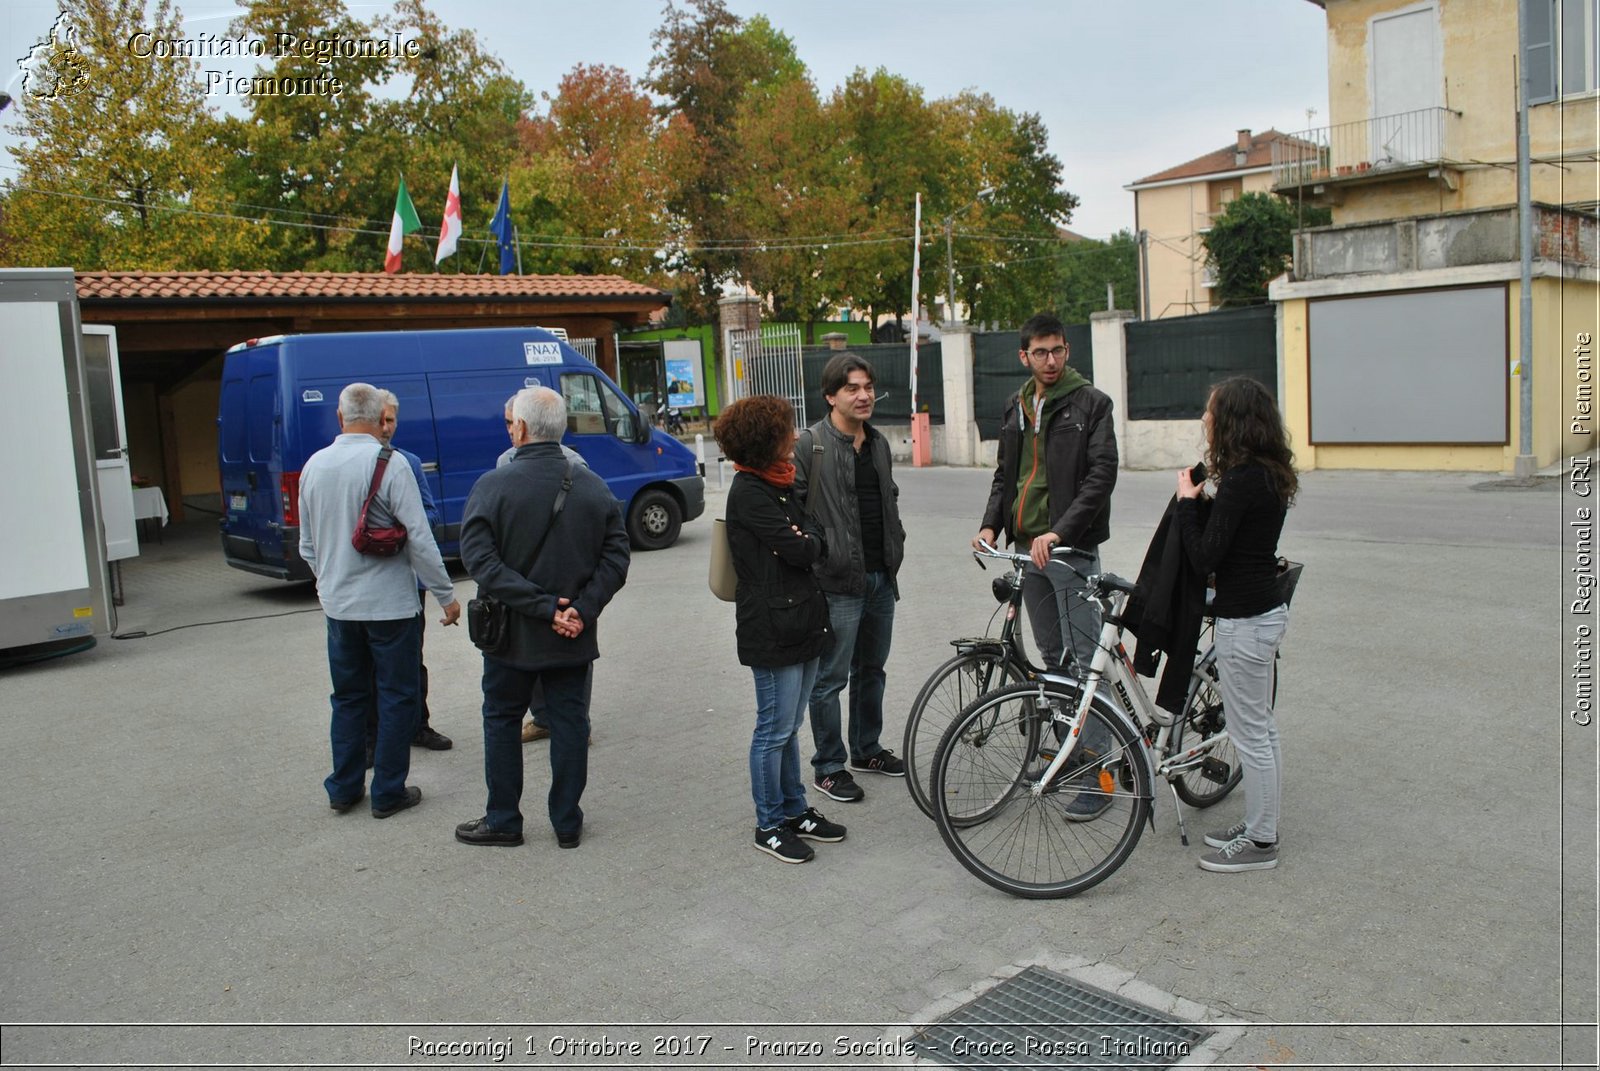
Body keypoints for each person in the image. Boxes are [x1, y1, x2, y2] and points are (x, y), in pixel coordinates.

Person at [456, 387, 629, 849]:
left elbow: (479, 561)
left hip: (510, 635)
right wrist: (579, 609)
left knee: (501, 719)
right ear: (563, 429)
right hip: (572, 633)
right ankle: (567, 823)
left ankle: (503, 820)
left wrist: (539, 605)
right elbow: (617, 558)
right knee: (570, 723)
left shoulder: (492, 486)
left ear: (521, 428)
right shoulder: (593, 486)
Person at [972, 311, 1119, 820]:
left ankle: (1100, 776)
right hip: (1027, 551)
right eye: (1040, 352)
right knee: (1053, 663)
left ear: (1067, 351)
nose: (1050, 360)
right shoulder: (1016, 406)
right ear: (1024, 356)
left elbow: (1101, 476)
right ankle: (1068, 758)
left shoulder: (1092, 404)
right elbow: (1004, 477)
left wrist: (1061, 532)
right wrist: (992, 524)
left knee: (1082, 666)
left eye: (1057, 350)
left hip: (1070, 552)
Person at [299, 382, 461, 819]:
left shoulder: (313, 466)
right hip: (391, 606)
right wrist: (446, 595)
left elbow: (307, 546)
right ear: (379, 418)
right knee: (395, 696)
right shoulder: (389, 464)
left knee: (348, 697)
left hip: (339, 608)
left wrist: (328, 585)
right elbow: (420, 540)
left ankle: (344, 788)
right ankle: (388, 791)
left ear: (340, 418)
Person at [715, 395, 846, 863]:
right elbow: (804, 550)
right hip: (771, 627)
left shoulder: (781, 483)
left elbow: (815, 538)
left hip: (803, 618)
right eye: (786, 430)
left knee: (790, 727)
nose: (794, 437)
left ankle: (795, 810)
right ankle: (768, 822)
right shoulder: (750, 492)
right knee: (773, 729)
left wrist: (808, 541)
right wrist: (808, 541)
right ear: (764, 440)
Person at [1174, 376, 1297, 873]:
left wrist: (1187, 503)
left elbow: (1205, 557)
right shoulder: (1268, 473)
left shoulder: (1244, 479)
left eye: (1210, 411)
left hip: (1244, 622)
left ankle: (1261, 843)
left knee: (1251, 736)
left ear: (1232, 420)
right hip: (1264, 613)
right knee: (1262, 732)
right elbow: (1238, 539)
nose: (1205, 418)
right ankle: (1257, 825)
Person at [794, 353, 907, 804]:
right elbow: (795, 507)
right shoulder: (812, 445)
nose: (864, 396)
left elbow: (886, 500)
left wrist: (896, 541)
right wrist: (822, 551)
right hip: (836, 581)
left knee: (871, 670)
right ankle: (829, 765)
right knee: (829, 679)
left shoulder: (877, 443)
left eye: (868, 387)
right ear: (830, 396)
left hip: (881, 576)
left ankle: (866, 749)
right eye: (852, 389)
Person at [490, 395, 592, 748]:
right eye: (504, 422)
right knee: (529, 660)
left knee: (569, 664)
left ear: (524, 424)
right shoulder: (504, 464)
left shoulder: (575, 465)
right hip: (523, 589)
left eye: (511, 422)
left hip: (565, 588)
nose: (509, 430)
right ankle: (545, 718)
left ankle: (574, 721)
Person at [361, 390, 452, 758]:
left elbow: (430, 516)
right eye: (381, 419)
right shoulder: (356, 463)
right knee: (367, 663)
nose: (386, 427)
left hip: (408, 580)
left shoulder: (409, 462)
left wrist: (404, 522)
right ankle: (371, 738)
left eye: (392, 420)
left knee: (413, 656)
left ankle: (419, 725)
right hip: (368, 581)